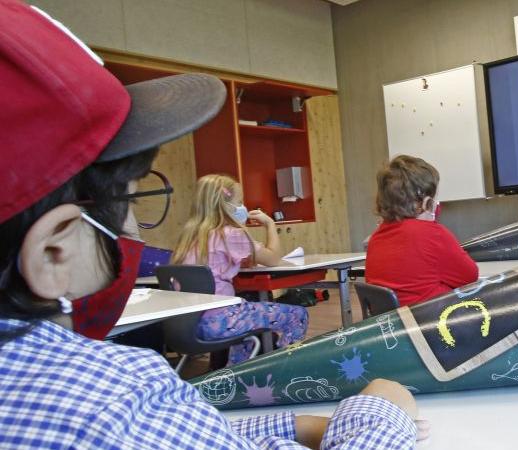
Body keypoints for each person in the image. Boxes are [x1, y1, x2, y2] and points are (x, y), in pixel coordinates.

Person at [0, 1, 422, 448]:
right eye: (127, 198)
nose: (134, 228)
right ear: (53, 253)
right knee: (293, 312)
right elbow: (272, 262)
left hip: (189, 326)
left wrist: (296, 426)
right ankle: (265, 371)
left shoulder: (189, 232)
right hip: (220, 320)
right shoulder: (115, 403)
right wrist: (380, 408)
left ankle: (243, 374)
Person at [172, 174, 308, 365]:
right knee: (298, 314)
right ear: (227, 206)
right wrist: (270, 224)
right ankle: (287, 370)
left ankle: (238, 374)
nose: (243, 206)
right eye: (240, 201)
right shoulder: (231, 234)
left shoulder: (189, 237)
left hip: (186, 325)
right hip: (221, 321)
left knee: (245, 324)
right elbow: (273, 258)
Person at [366, 155, 478, 307]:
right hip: (429, 323)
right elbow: (470, 276)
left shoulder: (375, 238)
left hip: (395, 325)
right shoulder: (433, 234)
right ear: (427, 203)